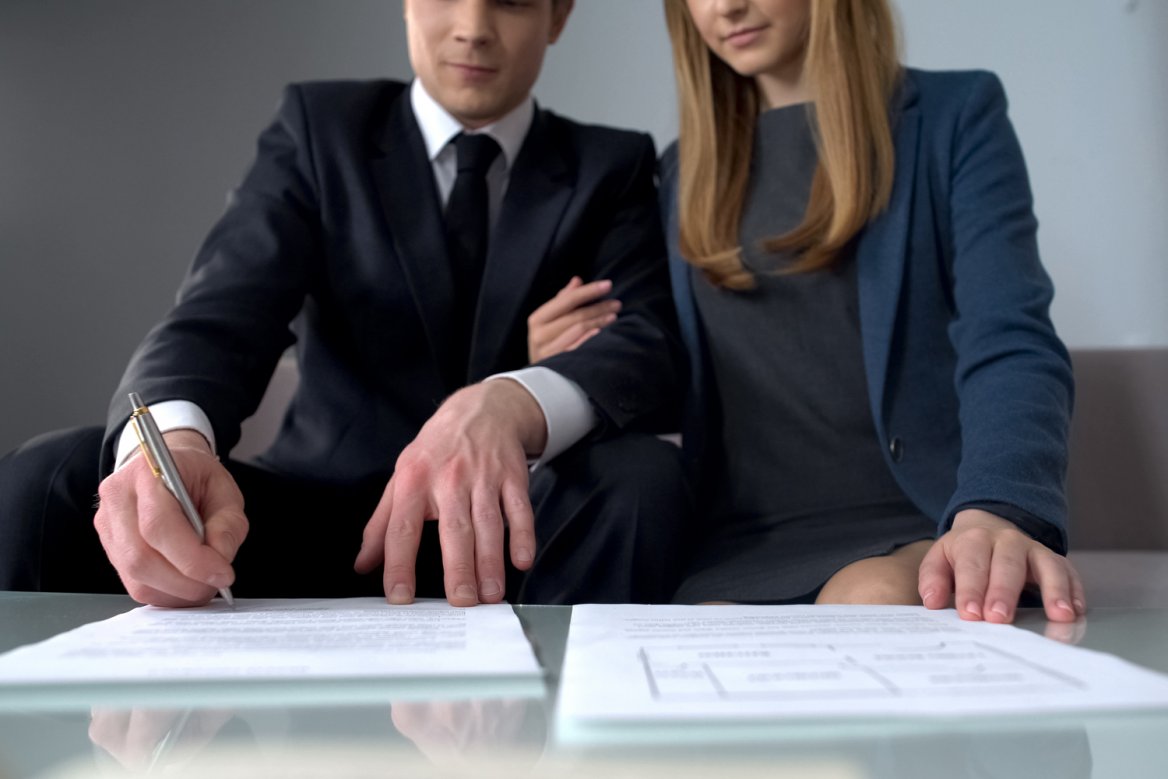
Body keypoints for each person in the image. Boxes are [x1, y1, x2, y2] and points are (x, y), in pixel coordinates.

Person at [0, 0, 689, 607]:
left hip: (510, 532)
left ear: (559, 15)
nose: (474, 29)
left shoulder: (612, 164)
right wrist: (175, 443)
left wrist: (510, 399)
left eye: (510, 2)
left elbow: (646, 345)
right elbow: (223, 310)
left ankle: (580, 741)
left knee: (643, 477)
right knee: (50, 474)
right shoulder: (320, 129)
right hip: (314, 518)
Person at [528, 0, 1084, 623]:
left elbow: (1010, 336)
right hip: (741, 539)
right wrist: (575, 363)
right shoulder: (680, 171)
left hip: (919, 518)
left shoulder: (957, 116)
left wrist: (995, 507)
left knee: (869, 603)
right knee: (705, 647)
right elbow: (676, 375)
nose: (726, 7)